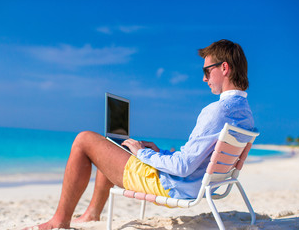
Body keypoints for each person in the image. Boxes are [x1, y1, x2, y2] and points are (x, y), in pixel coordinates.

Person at [24, 39, 254, 230]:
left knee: (84, 139)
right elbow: (195, 159)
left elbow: (183, 167)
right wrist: (157, 152)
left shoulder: (216, 111)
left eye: (207, 71)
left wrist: (143, 153)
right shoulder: (244, 113)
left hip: (173, 186)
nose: (204, 78)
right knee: (117, 147)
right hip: (198, 185)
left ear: (224, 68)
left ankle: (59, 221)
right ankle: (92, 214)